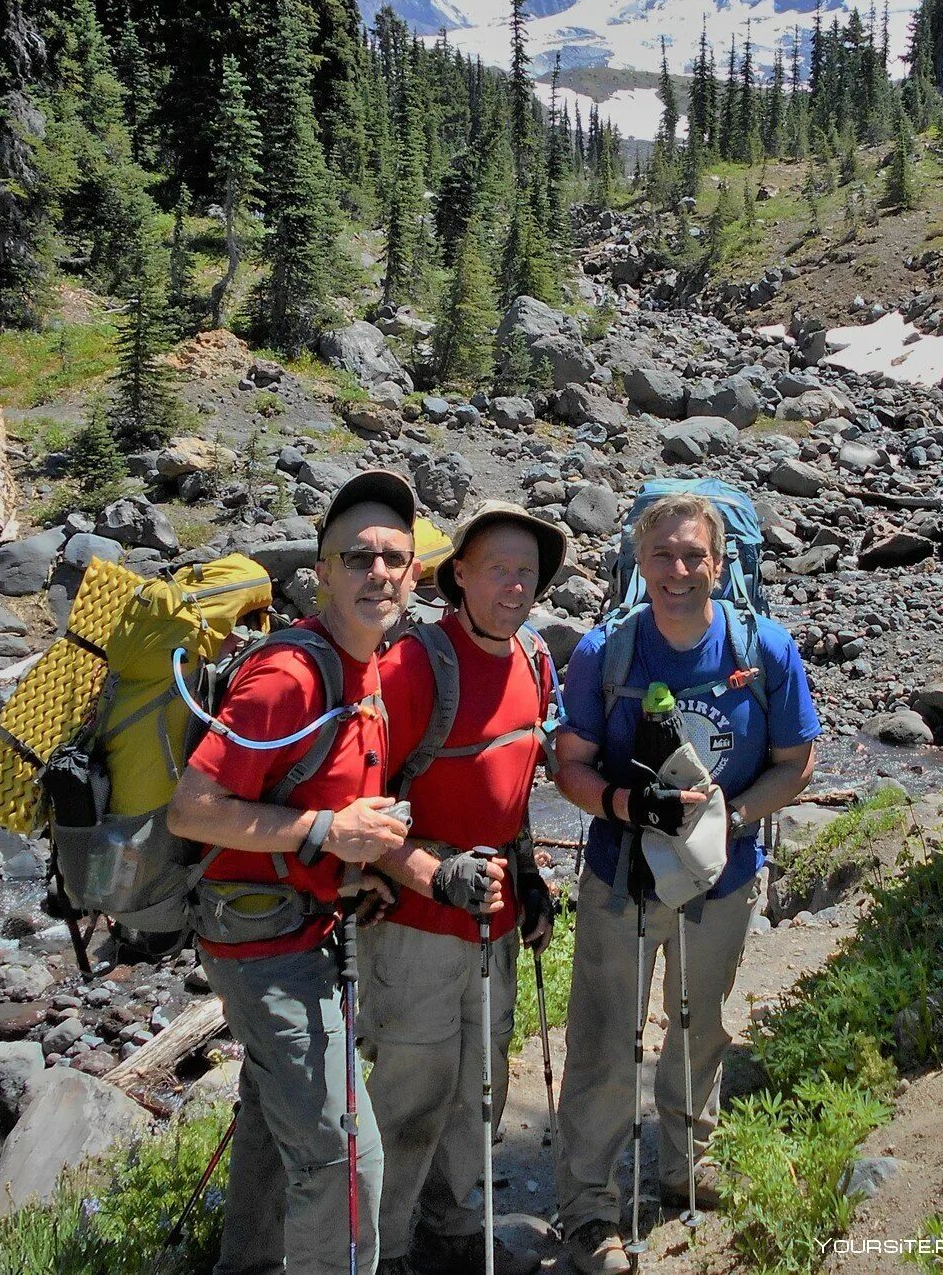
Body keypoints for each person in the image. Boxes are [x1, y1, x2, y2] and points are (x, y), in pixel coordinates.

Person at [552, 493, 821, 1275]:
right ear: (641, 563)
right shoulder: (608, 651)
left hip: (721, 879)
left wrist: (728, 822)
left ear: (720, 562)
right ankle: (589, 1209)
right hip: (621, 876)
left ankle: (683, 1162)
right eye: (663, 555)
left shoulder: (764, 648)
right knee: (604, 1042)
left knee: (699, 1024)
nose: (679, 570)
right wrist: (623, 805)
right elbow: (567, 762)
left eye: (693, 555)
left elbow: (796, 761)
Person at [167, 470, 421, 1275]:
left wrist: (348, 867)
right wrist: (326, 829)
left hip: (297, 923)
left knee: (278, 1133)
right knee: (345, 1163)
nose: (377, 571)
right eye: (358, 557)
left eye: (394, 557)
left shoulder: (367, 663)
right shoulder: (290, 677)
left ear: (414, 573)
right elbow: (192, 809)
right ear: (323, 573)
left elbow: (311, 810)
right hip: (259, 941)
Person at [359, 502, 568, 1275]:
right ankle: (381, 1249)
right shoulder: (416, 666)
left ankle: (451, 1229)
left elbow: (510, 793)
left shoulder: (535, 660)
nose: (515, 585)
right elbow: (359, 801)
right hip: (416, 921)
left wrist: (532, 876)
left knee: (481, 1084)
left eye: (527, 571)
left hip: (494, 914)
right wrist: (428, 871)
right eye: (498, 569)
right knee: (411, 1095)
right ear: (461, 577)